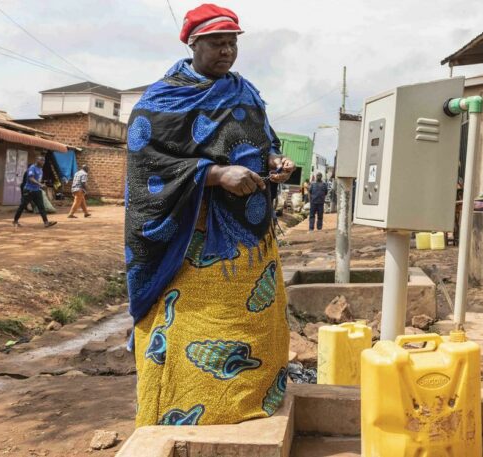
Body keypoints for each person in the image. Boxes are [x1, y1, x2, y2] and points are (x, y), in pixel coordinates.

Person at [125, 3, 296, 428]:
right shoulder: (162, 99)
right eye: (217, 43)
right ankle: (182, 414)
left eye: (232, 42)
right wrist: (216, 174)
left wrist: (276, 161)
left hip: (250, 244)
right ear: (193, 43)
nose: (227, 51)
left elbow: (264, 140)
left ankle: (248, 404)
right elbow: (147, 162)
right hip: (193, 242)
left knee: (252, 327)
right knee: (192, 328)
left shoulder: (247, 92)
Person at [13, 155, 57, 228]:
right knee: (22, 206)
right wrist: (40, 184)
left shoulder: (40, 170)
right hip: (29, 190)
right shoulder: (32, 168)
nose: (43, 162)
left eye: (44, 160)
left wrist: (41, 185)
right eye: (41, 160)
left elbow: (38, 179)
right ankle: (15, 221)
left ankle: (46, 222)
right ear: (37, 160)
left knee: (41, 207)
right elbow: (31, 178)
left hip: (37, 191)